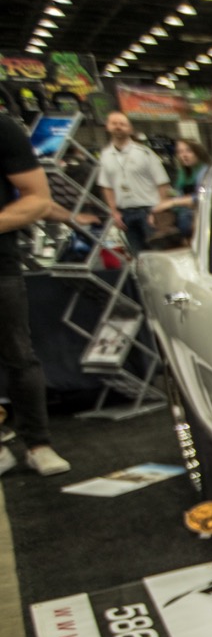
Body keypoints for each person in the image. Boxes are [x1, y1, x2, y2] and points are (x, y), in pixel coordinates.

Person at [0, 110, 70, 476]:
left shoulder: (2, 126)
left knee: (18, 356)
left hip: (0, 267)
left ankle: (37, 444)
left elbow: (38, 198)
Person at [96, 111, 172, 256]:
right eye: (114, 123)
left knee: (159, 254)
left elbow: (163, 184)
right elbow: (106, 187)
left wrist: (159, 212)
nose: (118, 127)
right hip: (125, 214)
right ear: (107, 127)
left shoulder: (145, 153)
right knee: (139, 256)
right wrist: (114, 212)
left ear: (130, 129)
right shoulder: (105, 156)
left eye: (122, 124)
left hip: (149, 211)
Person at [150, 138, 210, 242]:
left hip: (198, 216)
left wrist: (173, 202)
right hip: (183, 214)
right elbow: (179, 194)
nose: (184, 155)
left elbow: (202, 197)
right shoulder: (183, 174)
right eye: (180, 152)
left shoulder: (205, 172)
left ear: (197, 152)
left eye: (188, 151)